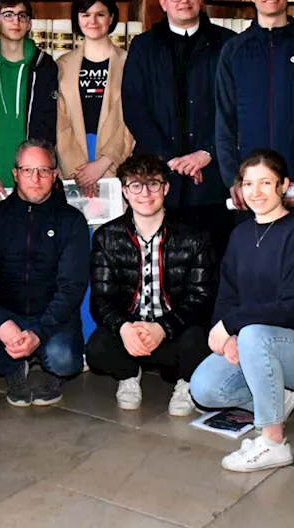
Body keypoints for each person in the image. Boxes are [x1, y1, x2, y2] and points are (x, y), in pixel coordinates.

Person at [215, 0, 294, 412]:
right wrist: (233, 181)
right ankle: (265, 368)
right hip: (251, 187)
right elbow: (223, 121)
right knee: (255, 274)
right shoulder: (234, 51)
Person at [189, 150, 294, 472]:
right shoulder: (241, 234)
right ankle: (277, 399)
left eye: (265, 183)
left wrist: (232, 325)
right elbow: (227, 295)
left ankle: (273, 442)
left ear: (283, 186)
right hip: (256, 345)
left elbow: (293, 307)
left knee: (254, 332)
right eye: (248, 183)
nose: (255, 192)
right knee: (203, 389)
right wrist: (227, 334)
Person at [0, 140, 90, 408]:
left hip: (54, 317)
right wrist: (2, 324)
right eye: (27, 170)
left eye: (43, 170)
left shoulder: (72, 221)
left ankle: (50, 370)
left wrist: (39, 332)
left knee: (64, 359)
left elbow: (72, 288)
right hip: (8, 314)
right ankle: (14, 367)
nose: (36, 178)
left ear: (54, 175)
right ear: (15, 174)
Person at [87, 154, 216, 417]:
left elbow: (202, 297)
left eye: (154, 184)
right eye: (136, 185)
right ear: (124, 191)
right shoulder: (106, 236)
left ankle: (186, 382)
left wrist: (162, 328)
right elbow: (101, 300)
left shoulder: (193, 234)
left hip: (176, 332)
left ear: (166, 188)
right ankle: (128, 376)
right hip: (132, 333)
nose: (145, 193)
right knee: (97, 348)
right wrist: (124, 328)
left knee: (201, 340)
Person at [122, 0, 236, 255]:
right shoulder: (144, 46)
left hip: (212, 177)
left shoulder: (228, 43)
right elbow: (134, 107)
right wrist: (168, 159)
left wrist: (206, 152)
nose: (183, 0)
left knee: (213, 267)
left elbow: (235, 107)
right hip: (159, 180)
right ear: (162, 2)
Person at [56, 0, 135, 346]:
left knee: (111, 255)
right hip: (74, 165)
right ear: (77, 20)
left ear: (112, 19)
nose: (93, 21)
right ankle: (79, 337)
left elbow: (131, 119)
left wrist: (105, 162)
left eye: (101, 14)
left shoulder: (128, 61)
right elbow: (58, 122)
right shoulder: (62, 64)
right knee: (78, 254)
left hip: (114, 163)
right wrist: (78, 169)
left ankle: (109, 339)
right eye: (85, 14)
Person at [0, 0, 59, 197]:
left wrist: (36, 173)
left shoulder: (44, 65)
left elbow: (49, 124)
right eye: (8, 15)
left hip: (33, 179)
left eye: (22, 15)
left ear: (29, 24)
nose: (16, 21)